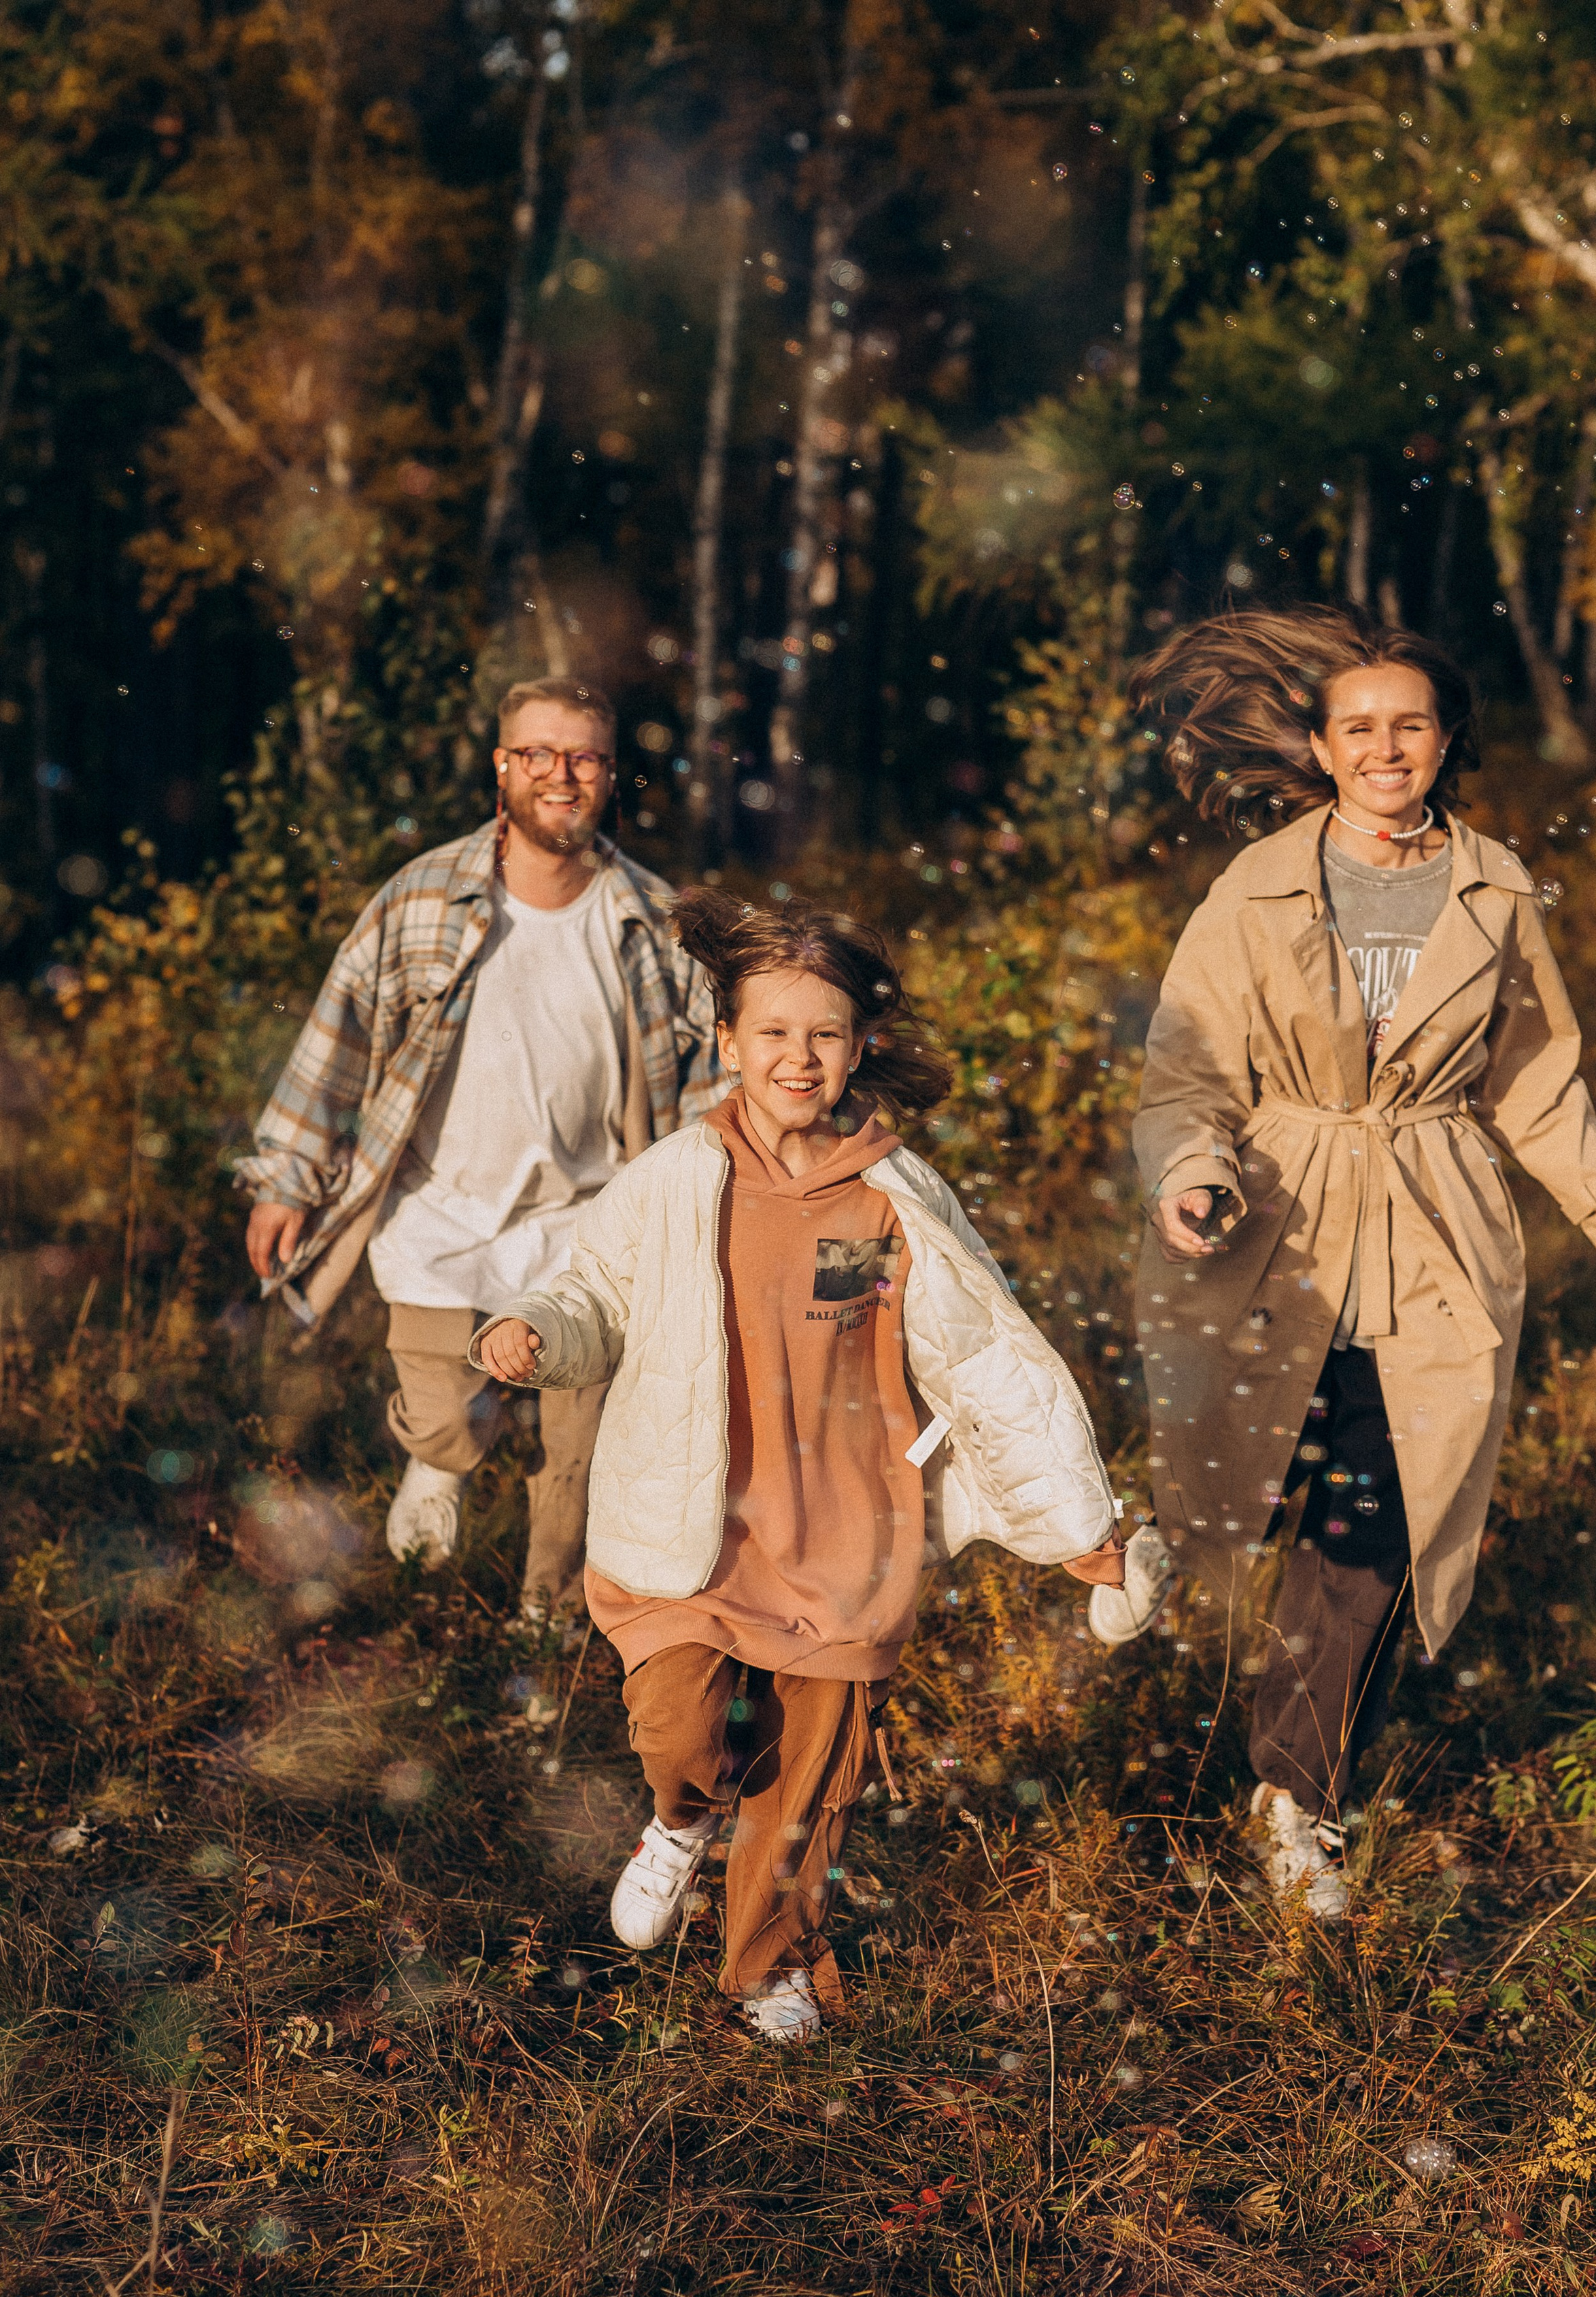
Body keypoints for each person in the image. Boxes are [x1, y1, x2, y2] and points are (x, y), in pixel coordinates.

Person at [1107, 605, 1596, 1915]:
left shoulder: (1494, 886)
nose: (1384, 748)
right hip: (1279, 1222)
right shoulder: (1253, 886)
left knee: (1378, 1516)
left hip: (1433, 1228)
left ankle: (1294, 1796)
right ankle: (1134, 1558)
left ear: (1443, 741)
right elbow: (1188, 1071)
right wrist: (1192, 1170)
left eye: (1408, 726)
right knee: (1248, 1488)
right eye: (1358, 727)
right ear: (1317, 745)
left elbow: (1538, 1078)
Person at [473, 892, 1125, 2042]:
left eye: (824, 1033)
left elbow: (983, 1357)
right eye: (772, 1032)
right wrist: (537, 1331)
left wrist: (1076, 1519)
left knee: (811, 1773)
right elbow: (595, 1294)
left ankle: (766, 1968)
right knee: (684, 1728)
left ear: (859, 1044)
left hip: (844, 1533)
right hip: (694, 1522)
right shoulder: (677, 1175)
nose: (798, 1057)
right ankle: (679, 1816)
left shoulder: (894, 1194)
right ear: (727, 1042)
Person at [237, 676, 723, 1622]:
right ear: (502, 768)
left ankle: (548, 1611)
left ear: (611, 777)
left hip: (586, 1226)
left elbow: (711, 1071)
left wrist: (716, 1195)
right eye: (537, 754)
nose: (561, 775)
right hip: (437, 1217)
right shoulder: (421, 900)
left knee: (580, 1440)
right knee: (445, 1413)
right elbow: (338, 1037)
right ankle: (437, 1466)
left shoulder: (652, 924)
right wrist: (288, 1177)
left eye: (583, 757)